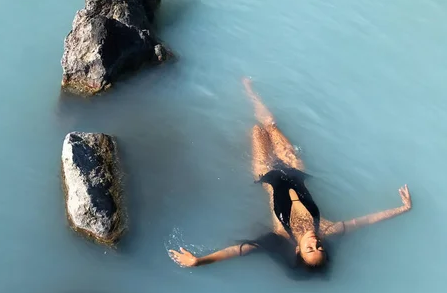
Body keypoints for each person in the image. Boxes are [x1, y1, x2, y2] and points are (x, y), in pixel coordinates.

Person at [169, 78, 412, 271]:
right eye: (320, 248)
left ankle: (243, 91)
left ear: (298, 250)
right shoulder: (328, 229)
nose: (315, 243)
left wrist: (200, 261)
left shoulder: (281, 234)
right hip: (295, 169)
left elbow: (240, 250)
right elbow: (366, 221)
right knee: (271, 124)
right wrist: (402, 209)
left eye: (310, 250)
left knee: (256, 131)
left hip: (267, 174)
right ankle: (249, 88)